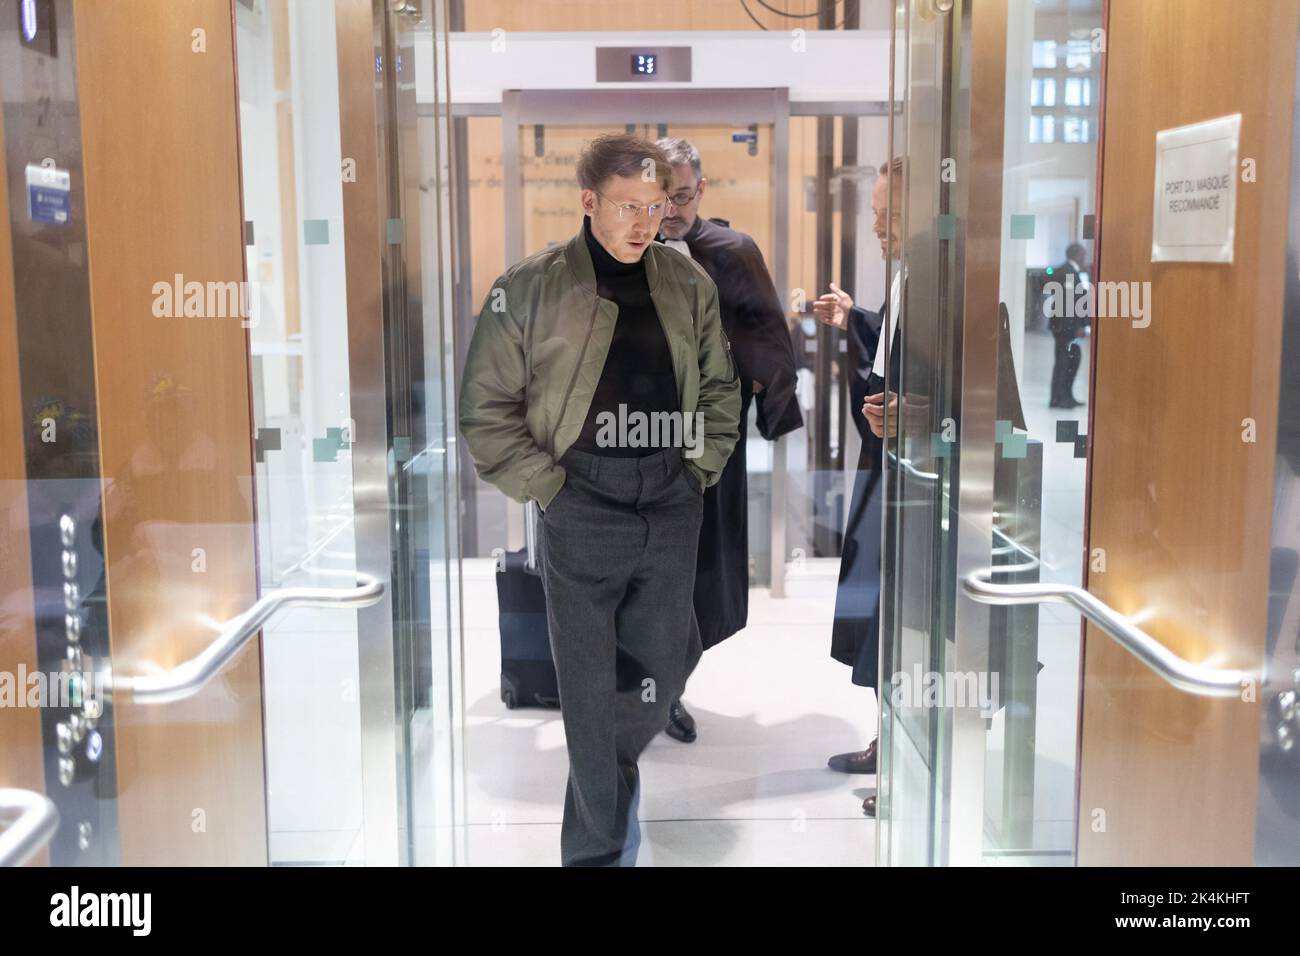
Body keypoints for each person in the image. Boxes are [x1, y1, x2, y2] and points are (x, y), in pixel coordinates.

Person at [458, 134, 741, 865]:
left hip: (670, 495)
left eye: (656, 205)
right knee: (587, 688)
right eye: (627, 207)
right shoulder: (528, 287)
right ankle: (595, 849)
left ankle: (606, 782)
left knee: (668, 661)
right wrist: (548, 486)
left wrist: (699, 469)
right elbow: (484, 408)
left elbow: (718, 388)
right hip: (579, 495)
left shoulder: (687, 285)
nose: (644, 222)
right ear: (588, 202)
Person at [654, 137, 804, 743]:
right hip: (633, 441)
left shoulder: (733, 251)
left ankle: (668, 687)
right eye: (661, 198)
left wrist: (761, 388)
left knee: (700, 569)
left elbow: (770, 338)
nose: (671, 211)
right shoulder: (619, 249)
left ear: (702, 190)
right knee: (641, 568)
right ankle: (644, 688)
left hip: (709, 445)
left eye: (683, 196)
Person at [812, 158, 904, 817]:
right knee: (877, 614)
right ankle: (891, 743)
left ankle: (903, 758)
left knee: (898, 620)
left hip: (918, 488)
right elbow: (896, 353)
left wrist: (926, 415)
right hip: (889, 472)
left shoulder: (948, 278)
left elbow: (979, 386)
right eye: (874, 212)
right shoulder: (907, 277)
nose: (877, 226)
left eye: (888, 214)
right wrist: (857, 320)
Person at [1046, 242, 1090, 409]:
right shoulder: (1069, 272)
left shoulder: (1068, 271)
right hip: (1066, 326)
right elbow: (1071, 302)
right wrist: (1079, 326)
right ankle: (1058, 398)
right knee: (1064, 362)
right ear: (1077, 255)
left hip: (1064, 325)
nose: (1084, 258)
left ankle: (1065, 395)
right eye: (1083, 255)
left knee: (1071, 359)